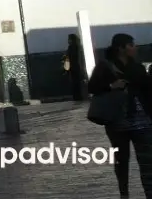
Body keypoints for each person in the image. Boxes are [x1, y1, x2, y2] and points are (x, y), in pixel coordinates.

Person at [88, 33, 152, 198]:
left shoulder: (137, 67)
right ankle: (124, 194)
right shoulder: (104, 66)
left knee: (147, 162)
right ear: (121, 48)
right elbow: (92, 87)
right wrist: (111, 85)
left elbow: (146, 91)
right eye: (131, 45)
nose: (134, 48)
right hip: (117, 122)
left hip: (142, 121)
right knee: (121, 160)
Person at [64, 33, 85, 101]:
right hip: (76, 67)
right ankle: (79, 97)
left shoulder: (71, 48)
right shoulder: (77, 47)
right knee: (77, 83)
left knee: (75, 83)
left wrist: (66, 68)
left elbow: (68, 58)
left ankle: (77, 97)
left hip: (74, 68)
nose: (68, 40)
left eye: (69, 39)